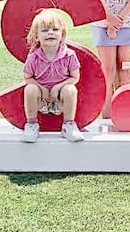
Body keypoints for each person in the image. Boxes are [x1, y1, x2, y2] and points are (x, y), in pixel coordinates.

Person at [21, 9, 84, 142]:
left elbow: (75, 77)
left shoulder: (69, 55)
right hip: (41, 99)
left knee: (71, 89)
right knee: (30, 89)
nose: (50, 33)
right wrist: (42, 89)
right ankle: (31, 125)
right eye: (44, 30)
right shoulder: (33, 57)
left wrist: (57, 87)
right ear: (36, 36)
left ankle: (68, 125)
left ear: (62, 34)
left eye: (55, 29)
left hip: (61, 98)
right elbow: (28, 77)